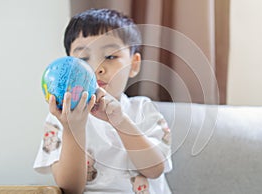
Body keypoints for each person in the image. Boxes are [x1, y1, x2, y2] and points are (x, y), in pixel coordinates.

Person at [34, 8, 172, 194]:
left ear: (134, 64)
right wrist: (73, 129)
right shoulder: (60, 117)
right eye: (83, 58)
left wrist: (121, 121)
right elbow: (70, 188)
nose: (96, 68)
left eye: (110, 56)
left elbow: (155, 169)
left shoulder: (143, 109)